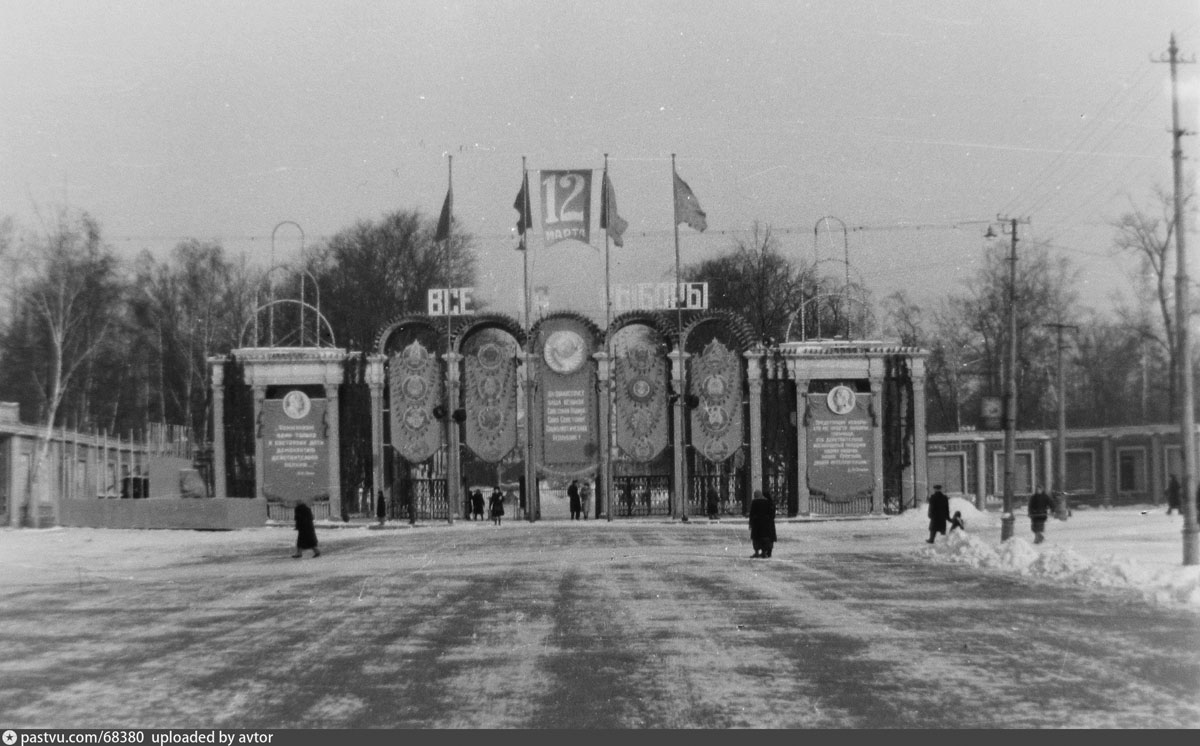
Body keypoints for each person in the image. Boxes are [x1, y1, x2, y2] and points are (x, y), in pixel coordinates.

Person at [748, 490, 776, 558]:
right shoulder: (767, 502)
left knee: (756, 539)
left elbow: (752, 514)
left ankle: (756, 552)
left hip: (756, 524)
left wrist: (750, 523)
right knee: (764, 538)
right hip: (765, 524)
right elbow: (771, 513)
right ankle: (764, 552)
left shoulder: (754, 502)